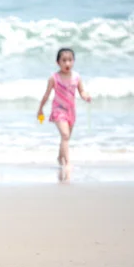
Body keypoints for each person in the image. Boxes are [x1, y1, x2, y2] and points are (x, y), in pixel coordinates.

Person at [37, 48, 91, 181]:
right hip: (58, 110)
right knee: (65, 135)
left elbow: (82, 91)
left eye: (70, 60)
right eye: (64, 60)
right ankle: (67, 163)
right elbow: (47, 94)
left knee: (66, 138)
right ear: (58, 62)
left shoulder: (76, 77)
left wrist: (86, 97)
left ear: (73, 61)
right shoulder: (54, 78)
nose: (67, 63)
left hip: (71, 111)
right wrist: (40, 109)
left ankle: (60, 158)